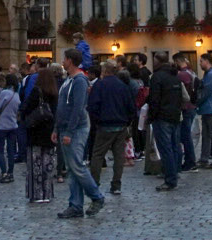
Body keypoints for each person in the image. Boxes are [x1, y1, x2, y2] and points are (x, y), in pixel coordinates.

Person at [54, 47, 105, 219]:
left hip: (76, 128)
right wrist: (56, 128)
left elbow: (77, 108)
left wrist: (69, 132)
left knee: (77, 166)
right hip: (66, 127)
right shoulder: (68, 80)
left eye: (64, 59)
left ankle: (96, 196)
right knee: (72, 169)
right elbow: (61, 106)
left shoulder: (79, 81)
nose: (62, 61)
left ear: (70, 60)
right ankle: (75, 205)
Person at [87, 61, 138, 192]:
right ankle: (116, 184)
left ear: (104, 71)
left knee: (97, 155)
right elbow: (131, 106)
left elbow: (92, 106)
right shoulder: (123, 86)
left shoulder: (99, 85)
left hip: (104, 124)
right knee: (119, 156)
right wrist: (127, 121)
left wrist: (96, 121)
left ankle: (94, 183)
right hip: (120, 124)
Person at [22, 66, 61, 205]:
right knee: (48, 164)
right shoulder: (55, 94)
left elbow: (25, 108)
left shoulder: (36, 91)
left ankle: (37, 193)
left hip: (36, 130)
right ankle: (47, 192)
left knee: (35, 164)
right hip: (50, 131)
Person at [147, 57, 184, 191]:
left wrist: (151, 116)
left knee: (165, 148)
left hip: (162, 117)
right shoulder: (175, 76)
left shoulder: (157, 77)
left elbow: (154, 99)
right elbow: (180, 97)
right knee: (174, 147)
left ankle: (170, 179)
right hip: (174, 115)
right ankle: (175, 172)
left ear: (157, 61)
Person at [195, 55, 212, 169]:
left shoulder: (211, 75)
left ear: (207, 61)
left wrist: (197, 101)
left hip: (211, 108)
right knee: (206, 135)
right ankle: (204, 158)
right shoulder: (209, 74)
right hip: (208, 108)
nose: (200, 63)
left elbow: (205, 92)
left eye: (201, 61)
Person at [0, 74, 21, 184]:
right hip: (13, 125)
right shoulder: (16, 95)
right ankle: (10, 173)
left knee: (0, 149)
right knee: (11, 150)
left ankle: (4, 172)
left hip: (2, 125)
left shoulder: (4, 93)